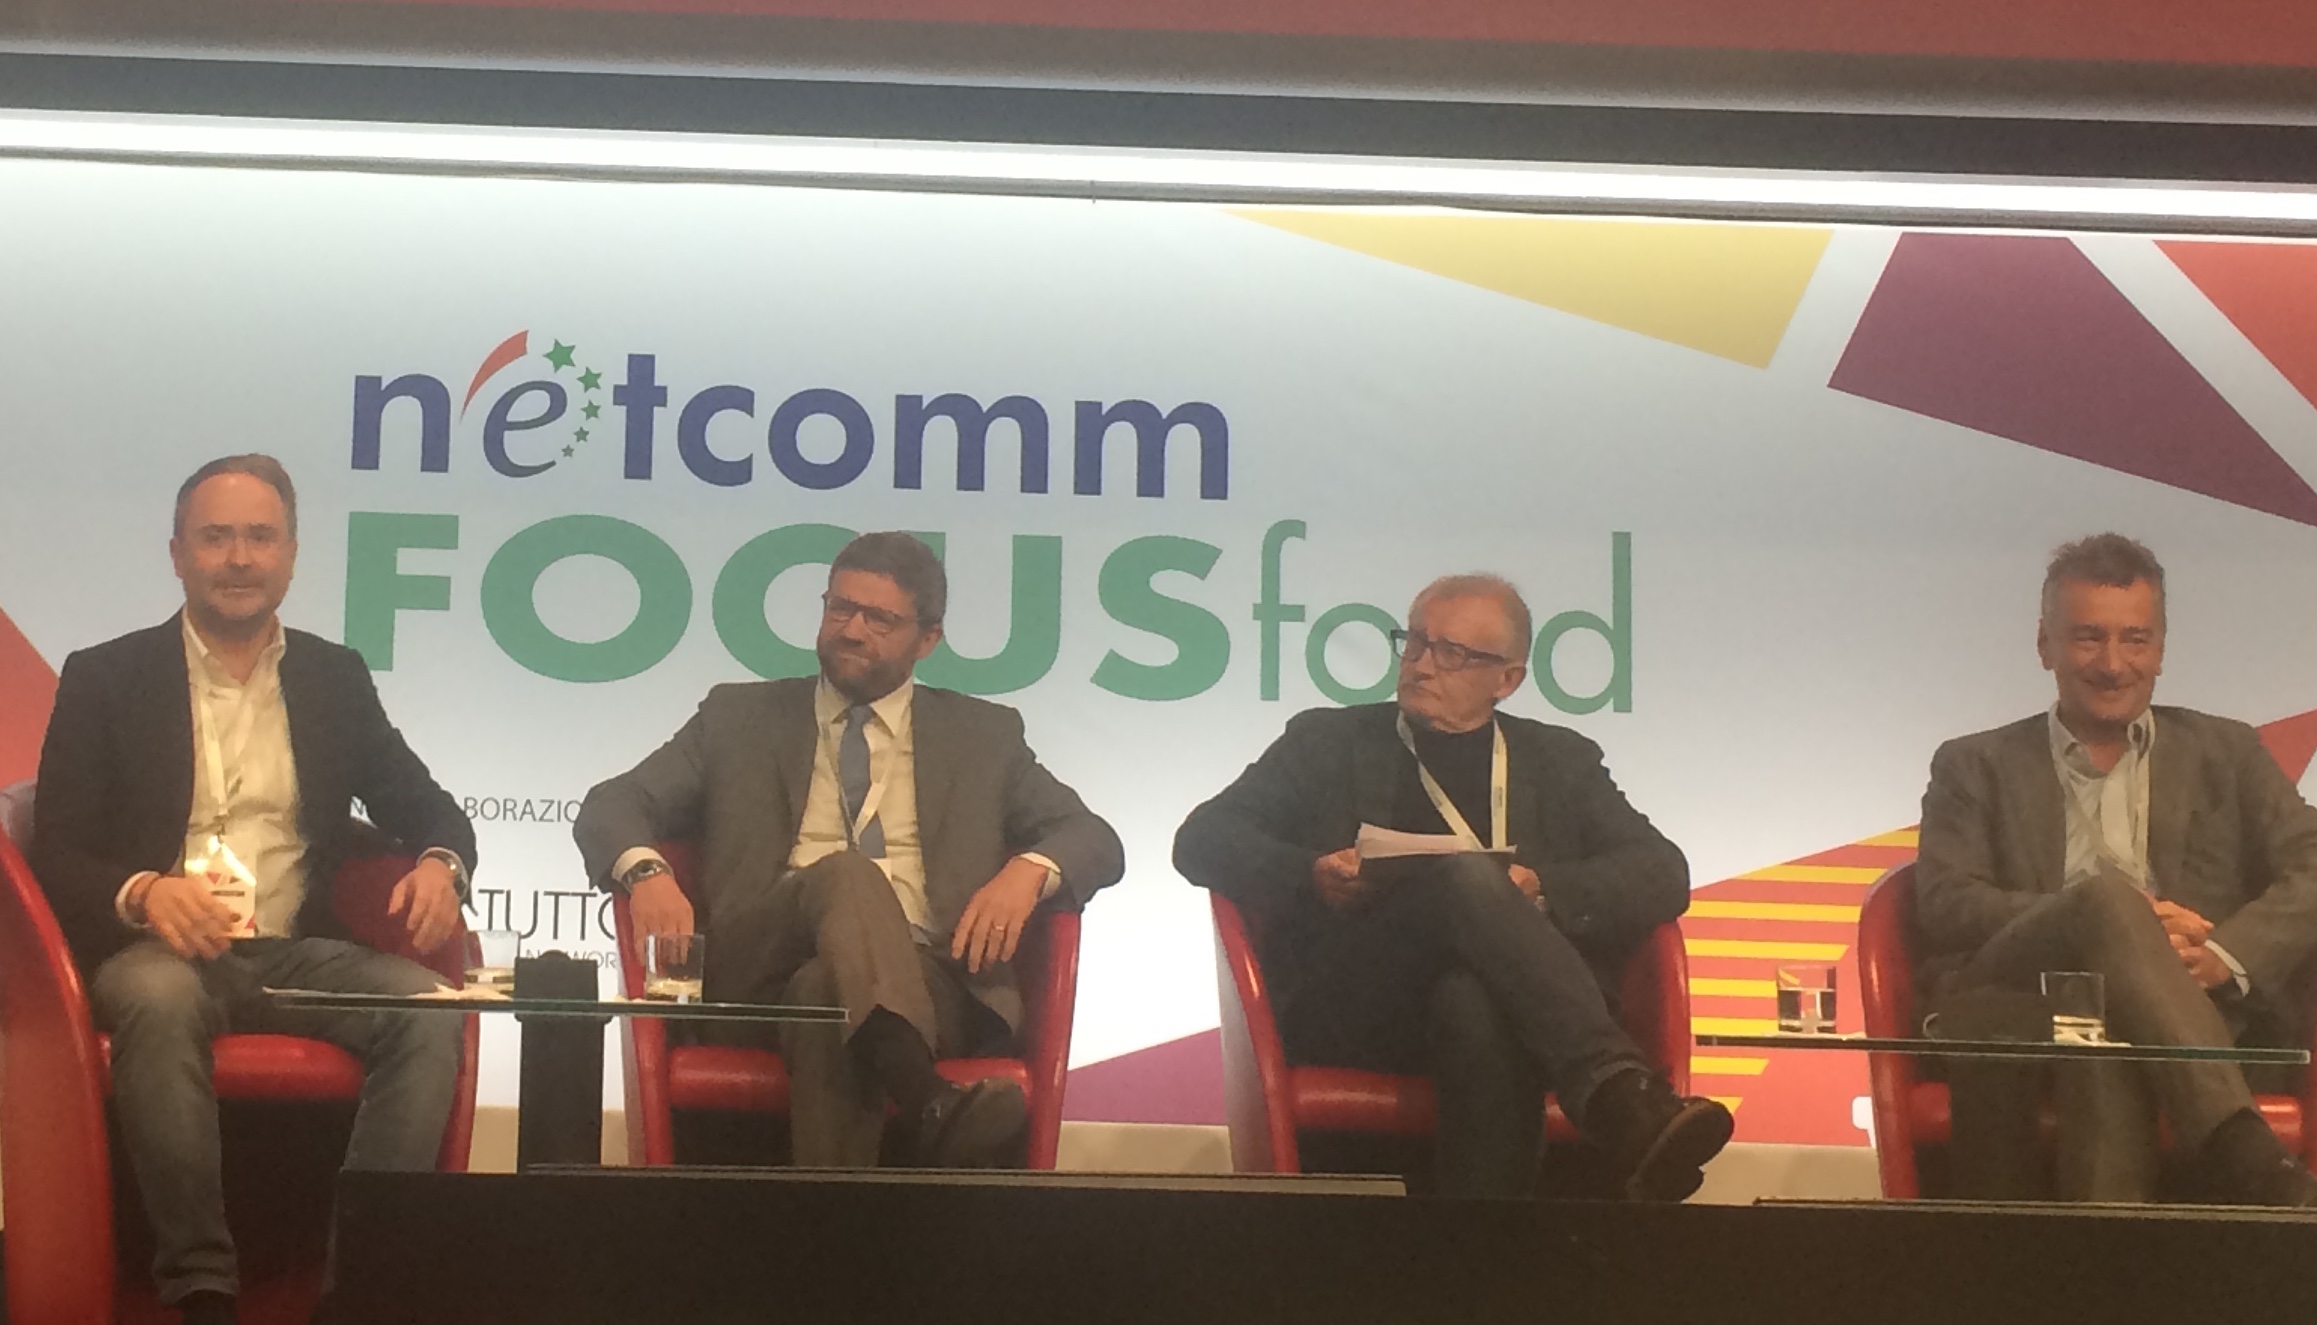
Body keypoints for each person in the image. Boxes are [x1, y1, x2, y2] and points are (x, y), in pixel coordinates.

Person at [29, 455, 474, 1325]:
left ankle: (359, 1287)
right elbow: (59, 848)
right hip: (158, 951)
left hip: (293, 950)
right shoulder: (105, 675)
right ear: (177, 554)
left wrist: (439, 862)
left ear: (292, 555)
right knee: (158, 997)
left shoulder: (333, 676)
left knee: (428, 1010)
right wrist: (143, 891)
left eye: (260, 537)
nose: (239, 557)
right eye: (216, 537)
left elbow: (426, 804)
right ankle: (202, 1289)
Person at [1174, 573, 1731, 1200]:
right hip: (1360, 1005)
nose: (1421, 665)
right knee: (1463, 873)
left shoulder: (1560, 762)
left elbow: (1662, 871)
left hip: (1517, 1014)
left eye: (1452, 653)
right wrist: (1310, 874)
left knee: (1472, 999)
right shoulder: (1326, 744)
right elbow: (1201, 839)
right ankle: (1614, 1087)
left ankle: (1474, 1249)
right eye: (1414, 642)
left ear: (1507, 679)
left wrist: (1541, 887)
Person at [575, 531, 1122, 1168]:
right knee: (846, 874)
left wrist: (1029, 870)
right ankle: (923, 1096)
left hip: (928, 980)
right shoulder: (738, 718)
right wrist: (647, 872)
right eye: (840, 608)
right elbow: (612, 803)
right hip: (757, 971)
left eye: (879, 619)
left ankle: (836, 1223)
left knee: (823, 997)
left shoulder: (984, 737)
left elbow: (1094, 838)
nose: (852, 630)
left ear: (928, 639)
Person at [1915, 533, 2317, 1205]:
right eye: (2087, 638)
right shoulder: (1972, 763)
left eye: (2134, 639)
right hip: (2021, 996)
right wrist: (2108, 919)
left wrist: (2222, 955)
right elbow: (1945, 899)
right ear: (2044, 644)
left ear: (2160, 649)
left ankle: (2105, 1266)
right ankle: (2245, 1154)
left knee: (2102, 1045)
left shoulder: (2227, 750)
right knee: (2104, 898)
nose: (2112, 664)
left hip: (2187, 1011)